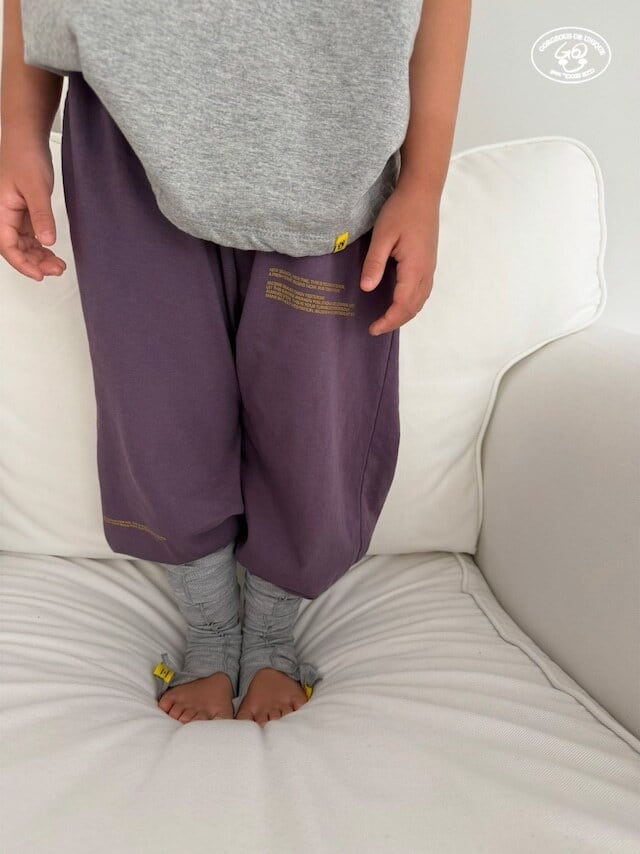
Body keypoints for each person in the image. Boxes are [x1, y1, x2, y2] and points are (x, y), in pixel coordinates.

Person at [0, 1, 471, 726]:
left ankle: (272, 635)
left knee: (312, 413)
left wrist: (425, 184)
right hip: (129, 118)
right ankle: (213, 629)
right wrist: (20, 127)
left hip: (327, 131)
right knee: (156, 403)